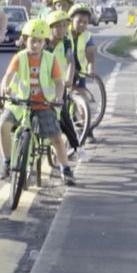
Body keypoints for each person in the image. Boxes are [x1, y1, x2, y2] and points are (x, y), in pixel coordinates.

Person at [0, 19, 76, 186]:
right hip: (20, 103)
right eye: (32, 40)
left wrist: (58, 98)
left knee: (56, 137)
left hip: (44, 104)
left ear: (44, 42)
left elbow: (59, 82)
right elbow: (8, 76)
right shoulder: (19, 57)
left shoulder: (50, 59)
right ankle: (6, 162)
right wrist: (5, 88)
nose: (35, 45)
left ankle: (65, 168)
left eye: (39, 41)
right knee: (3, 124)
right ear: (25, 40)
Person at [45, 10, 88, 161]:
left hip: (59, 85)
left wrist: (68, 80)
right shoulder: (44, 44)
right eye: (59, 26)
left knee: (63, 116)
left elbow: (71, 62)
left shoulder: (66, 43)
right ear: (50, 28)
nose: (63, 29)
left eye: (65, 26)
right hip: (43, 85)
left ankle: (77, 148)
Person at [67, 3, 97, 139]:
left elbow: (90, 53)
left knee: (81, 101)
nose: (82, 25)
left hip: (80, 71)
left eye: (85, 22)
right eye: (79, 21)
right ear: (71, 20)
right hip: (63, 70)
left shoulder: (87, 36)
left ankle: (87, 129)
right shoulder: (63, 32)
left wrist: (91, 68)